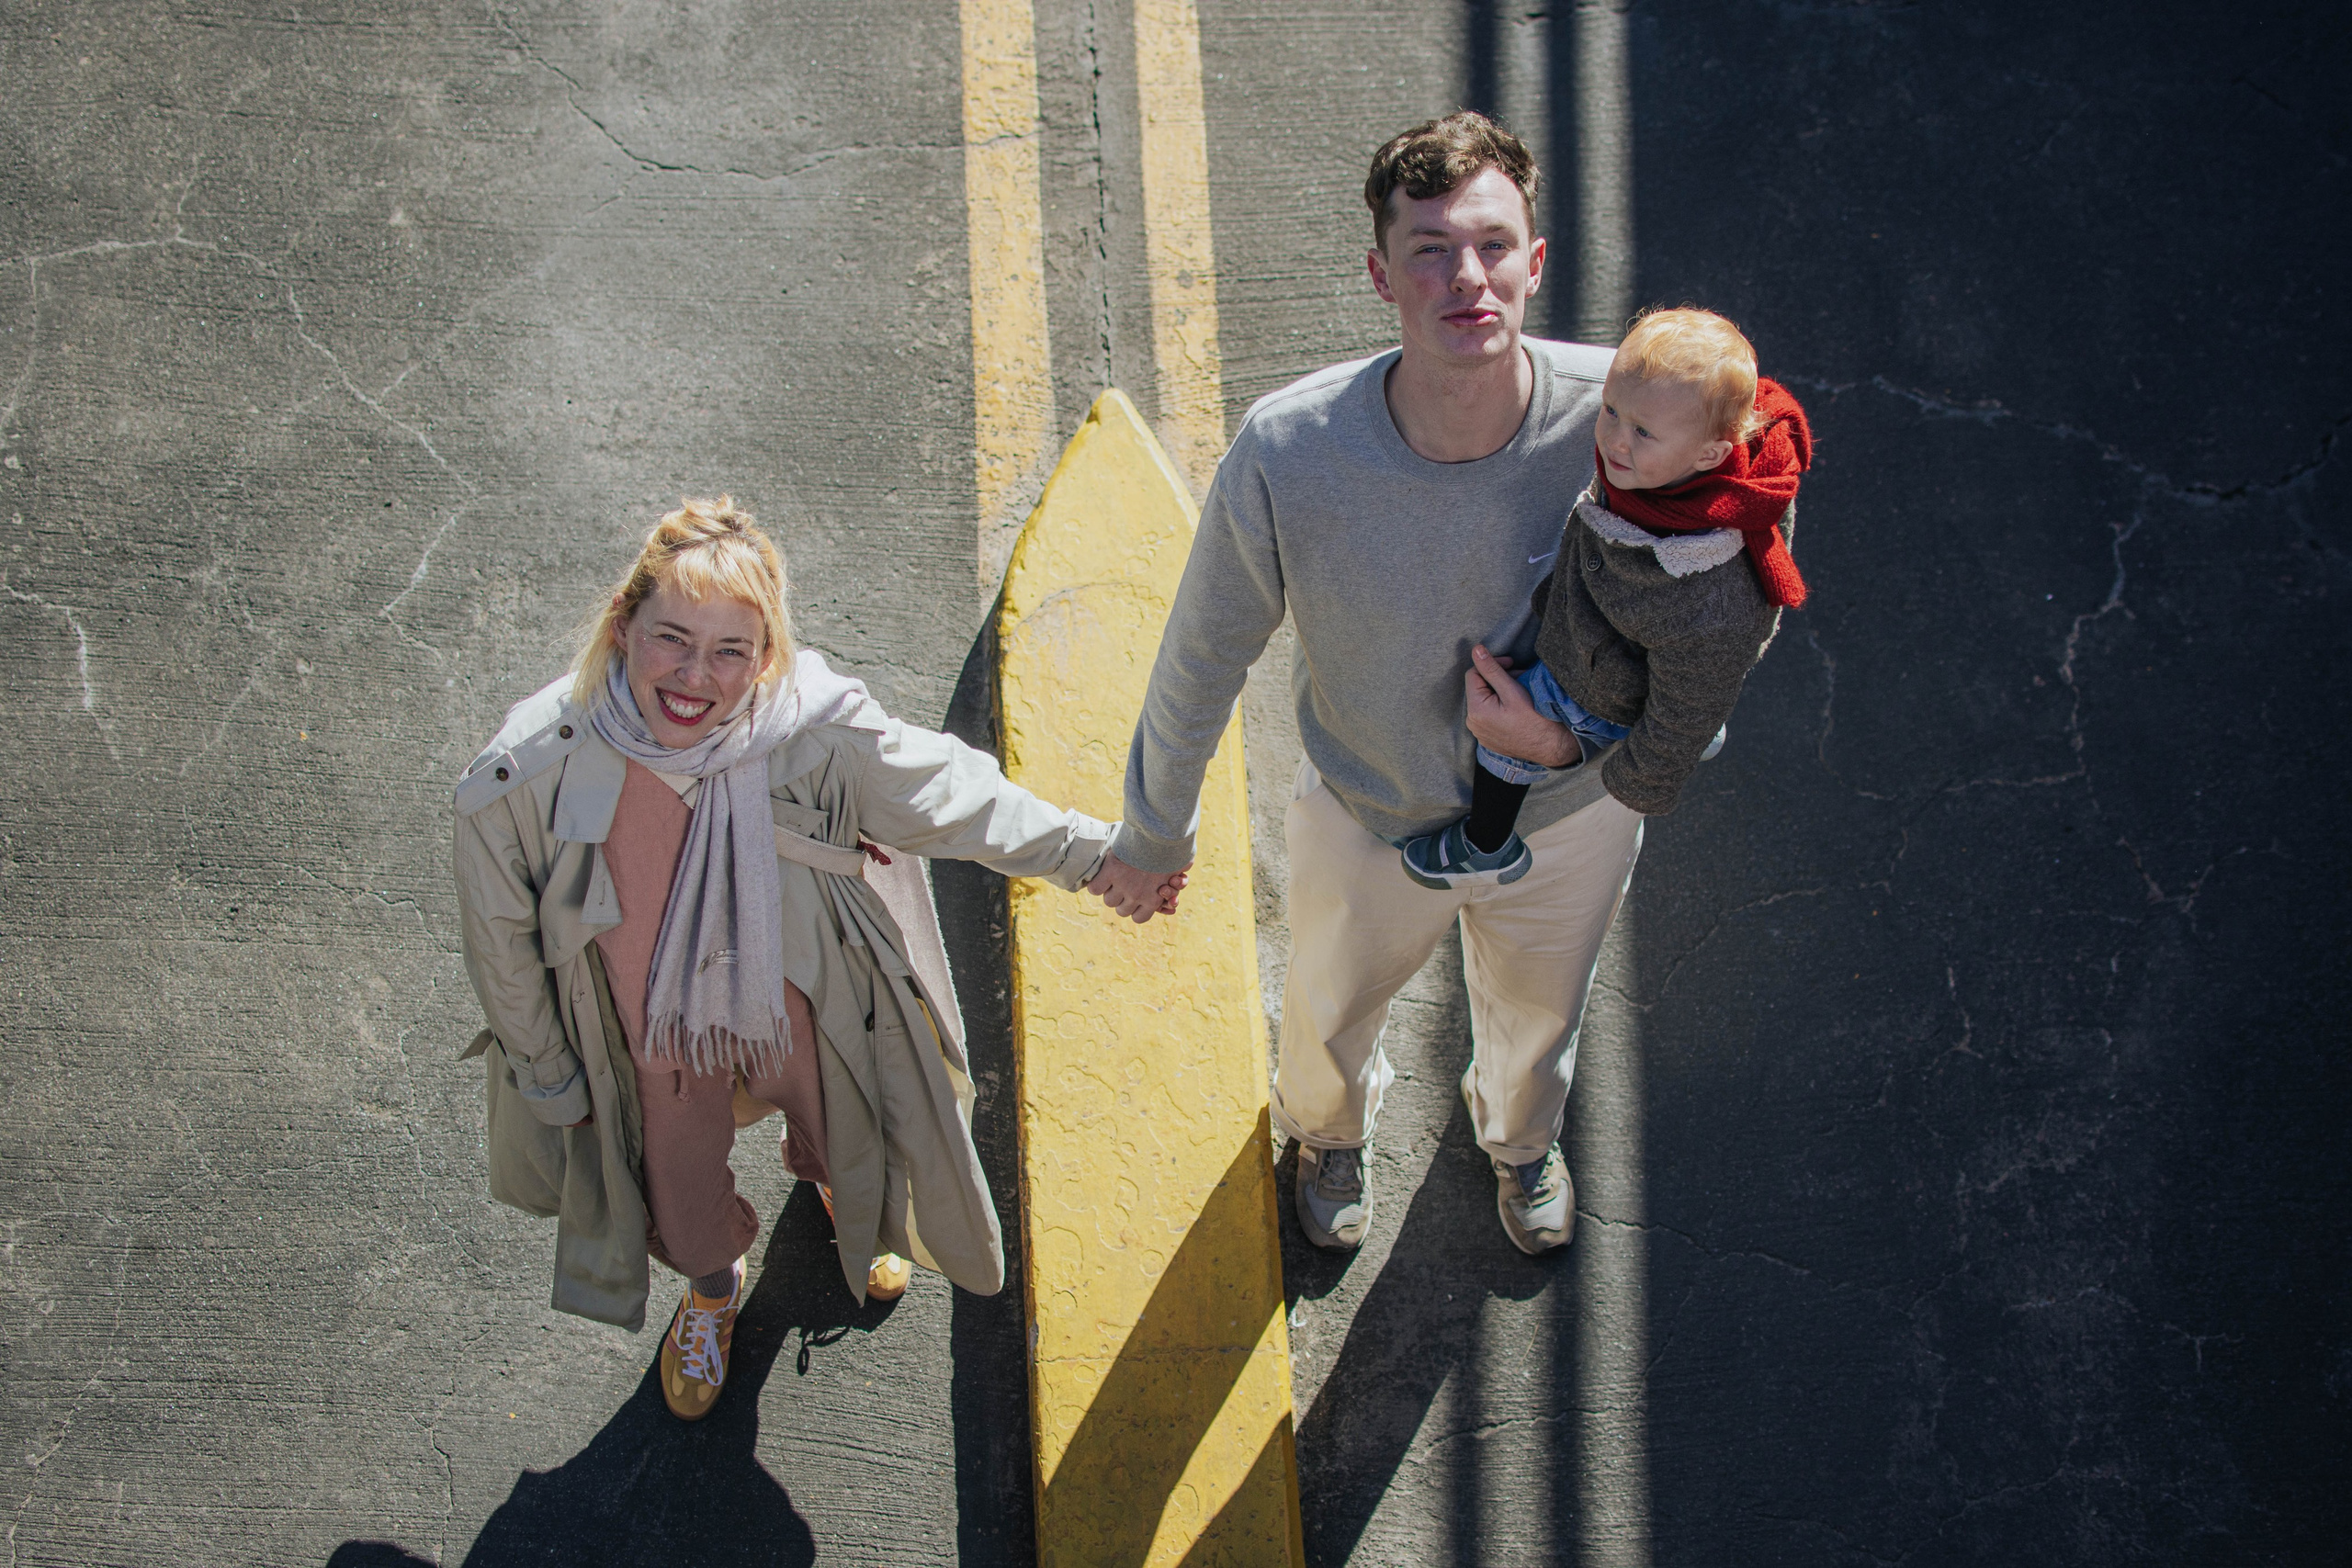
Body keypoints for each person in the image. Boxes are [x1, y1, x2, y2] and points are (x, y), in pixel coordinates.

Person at [453, 496, 1172, 1421]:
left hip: (804, 1005)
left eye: (729, 652)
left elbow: (958, 797)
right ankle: (714, 1291)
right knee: (676, 1199)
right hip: (648, 1037)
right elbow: (501, 947)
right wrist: (553, 1079)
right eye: (672, 638)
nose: (694, 678)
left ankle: (840, 1189)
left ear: (766, 656)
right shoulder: (524, 772)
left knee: (852, 1128)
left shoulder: (810, 730)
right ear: (623, 625)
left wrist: (1098, 855)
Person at [1086, 111, 1638, 1257]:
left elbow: (1728, 609)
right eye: (1429, 249)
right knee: (1328, 1015)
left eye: (1491, 245)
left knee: (1539, 1018)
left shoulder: (1622, 420)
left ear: (1537, 263)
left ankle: (1519, 1140)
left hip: (1569, 812)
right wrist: (1153, 827)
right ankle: (1327, 1134)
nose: (1465, 277)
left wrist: (1575, 749)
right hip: (1368, 812)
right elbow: (1202, 649)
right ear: (1378, 274)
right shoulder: (1292, 449)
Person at [1397, 306, 1809, 888]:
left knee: (1511, 737)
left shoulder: (1708, 599)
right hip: (1629, 643)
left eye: (1642, 431)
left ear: (1711, 456)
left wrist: (1640, 770)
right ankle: (1689, 706)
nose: (1615, 439)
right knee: (1693, 681)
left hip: (1602, 681)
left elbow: (1691, 699)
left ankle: (1486, 845)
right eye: (1612, 409)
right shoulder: (1665, 474)